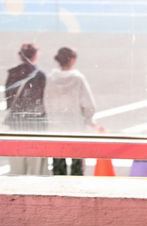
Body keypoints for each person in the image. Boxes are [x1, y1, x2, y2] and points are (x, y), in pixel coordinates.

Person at [44, 46, 96, 175]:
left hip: (56, 127)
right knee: (77, 165)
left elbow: (46, 102)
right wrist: (88, 119)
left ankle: (58, 186)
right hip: (75, 126)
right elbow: (89, 105)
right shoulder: (78, 79)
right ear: (72, 60)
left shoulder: (51, 79)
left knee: (58, 165)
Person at [4, 43, 48, 175]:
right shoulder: (39, 74)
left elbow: (9, 97)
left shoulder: (12, 73)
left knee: (17, 162)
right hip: (35, 122)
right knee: (34, 163)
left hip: (16, 121)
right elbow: (42, 99)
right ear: (35, 55)